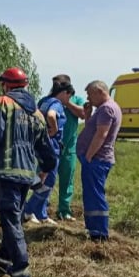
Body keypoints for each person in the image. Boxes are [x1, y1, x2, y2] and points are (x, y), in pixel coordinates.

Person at [0, 67, 57, 277]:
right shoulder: (37, 113)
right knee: (13, 216)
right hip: (26, 175)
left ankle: (21, 273)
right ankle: (3, 261)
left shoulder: (2, 103)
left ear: (6, 85)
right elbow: (46, 148)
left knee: (10, 220)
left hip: (8, 171)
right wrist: (47, 168)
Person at [76, 80, 122, 242]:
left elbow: (101, 134)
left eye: (90, 94)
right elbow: (93, 129)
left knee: (95, 195)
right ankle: (93, 230)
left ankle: (100, 233)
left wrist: (89, 156)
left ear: (99, 92)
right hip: (96, 160)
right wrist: (88, 116)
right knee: (91, 194)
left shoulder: (107, 109)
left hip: (97, 160)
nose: (88, 98)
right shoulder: (104, 109)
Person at [23, 76, 68, 224]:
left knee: (42, 177)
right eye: (68, 97)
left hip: (40, 144)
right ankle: (27, 211)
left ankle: (40, 213)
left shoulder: (43, 101)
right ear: (65, 93)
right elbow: (51, 116)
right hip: (51, 146)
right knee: (47, 181)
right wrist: (53, 130)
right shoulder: (57, 104)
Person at [52, 75, 86, 221]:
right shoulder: (51, 100)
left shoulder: (77, 99)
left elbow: (83, 114)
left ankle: (64, 210)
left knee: (67, 180)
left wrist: (67, 103)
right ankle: (39, 207)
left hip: (69, 148)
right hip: (51, 146)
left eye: (60, 85)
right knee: (46, 178)